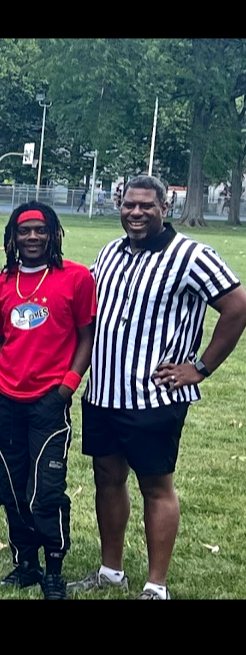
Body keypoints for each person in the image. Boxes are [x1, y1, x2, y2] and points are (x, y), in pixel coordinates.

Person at [69, 175, 246, 600]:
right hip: (103, 391)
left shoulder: (192, 255)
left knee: (155, 486)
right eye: (130, 204)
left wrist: (199, 367)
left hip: (154, 396)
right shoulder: (111, 251)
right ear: (119, 204)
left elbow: (237, 305)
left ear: (164, 207)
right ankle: (111, 570)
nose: (136, 212)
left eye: (146, 205)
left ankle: (155, 584)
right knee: (107, 478)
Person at [0, 202, 97, 600]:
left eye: (40, 230)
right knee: (10, 485)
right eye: (24, 231)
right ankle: (26, 562)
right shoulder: (2, 283)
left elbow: (86, 337)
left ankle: (54, 570)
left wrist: (67, 386)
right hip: (5, 399)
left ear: (53, 235)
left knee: (44, 491)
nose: (32, 237)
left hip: (49, 400)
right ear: (12, 238)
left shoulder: (76, 278)